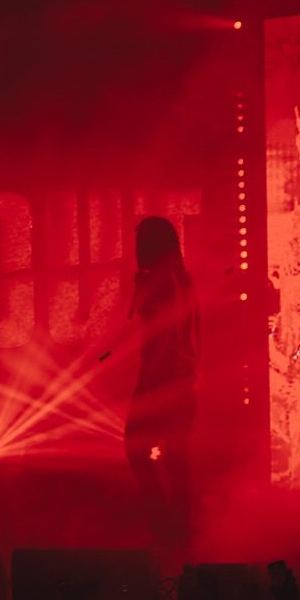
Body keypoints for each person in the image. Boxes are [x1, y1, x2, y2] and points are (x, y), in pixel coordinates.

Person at [124, 216, 201, 541]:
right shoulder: (181, 278)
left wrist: (148, 385)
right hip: (182, 379)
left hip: (163, 379)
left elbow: (160, 338)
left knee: (137, 447)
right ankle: (181, 523)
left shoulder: (160, 282)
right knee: (175, 454)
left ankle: (164, 521)